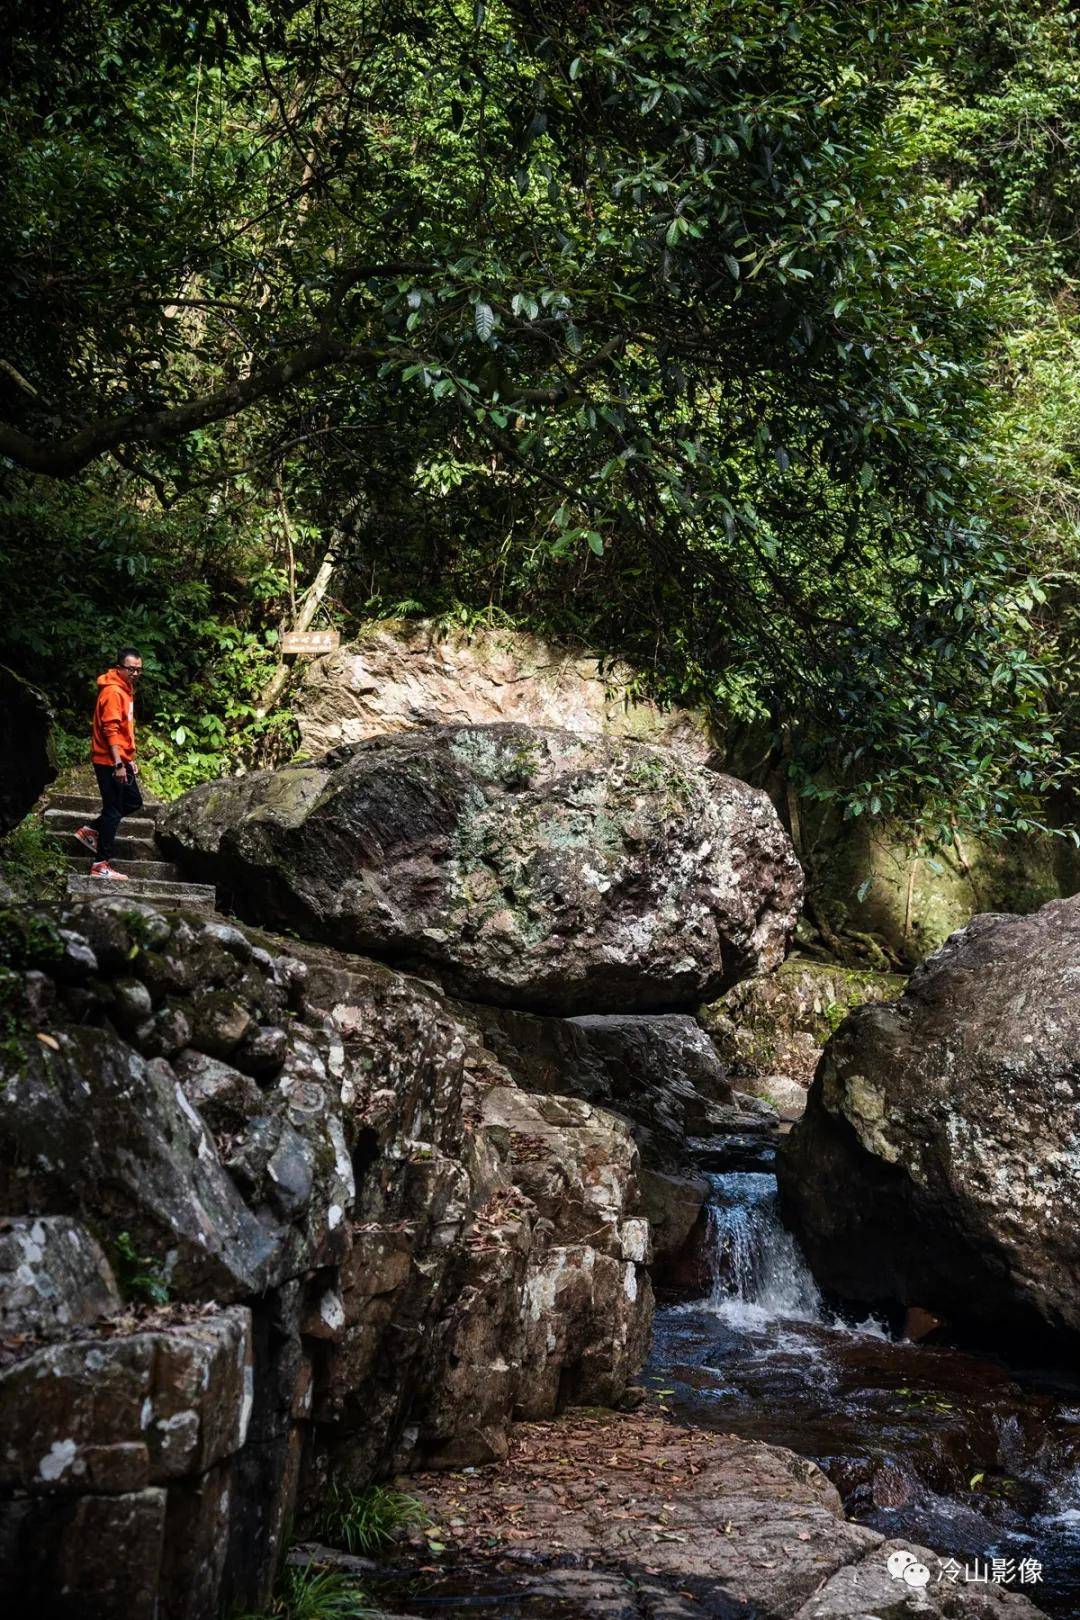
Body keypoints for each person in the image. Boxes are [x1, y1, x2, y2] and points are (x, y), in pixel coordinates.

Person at [75, 649, 144, 880]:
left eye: (138, 669)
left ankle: (91, 830)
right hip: (108, 761)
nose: (135, 673)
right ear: (119, 668)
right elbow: (111, 730)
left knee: (133, 801)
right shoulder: (114, 692)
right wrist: (118, 764)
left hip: (118, 758)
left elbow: (125, 730)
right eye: (130, 669)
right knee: (113, 811)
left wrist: (129, 759)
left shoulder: (125, 689)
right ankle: (100, 865)